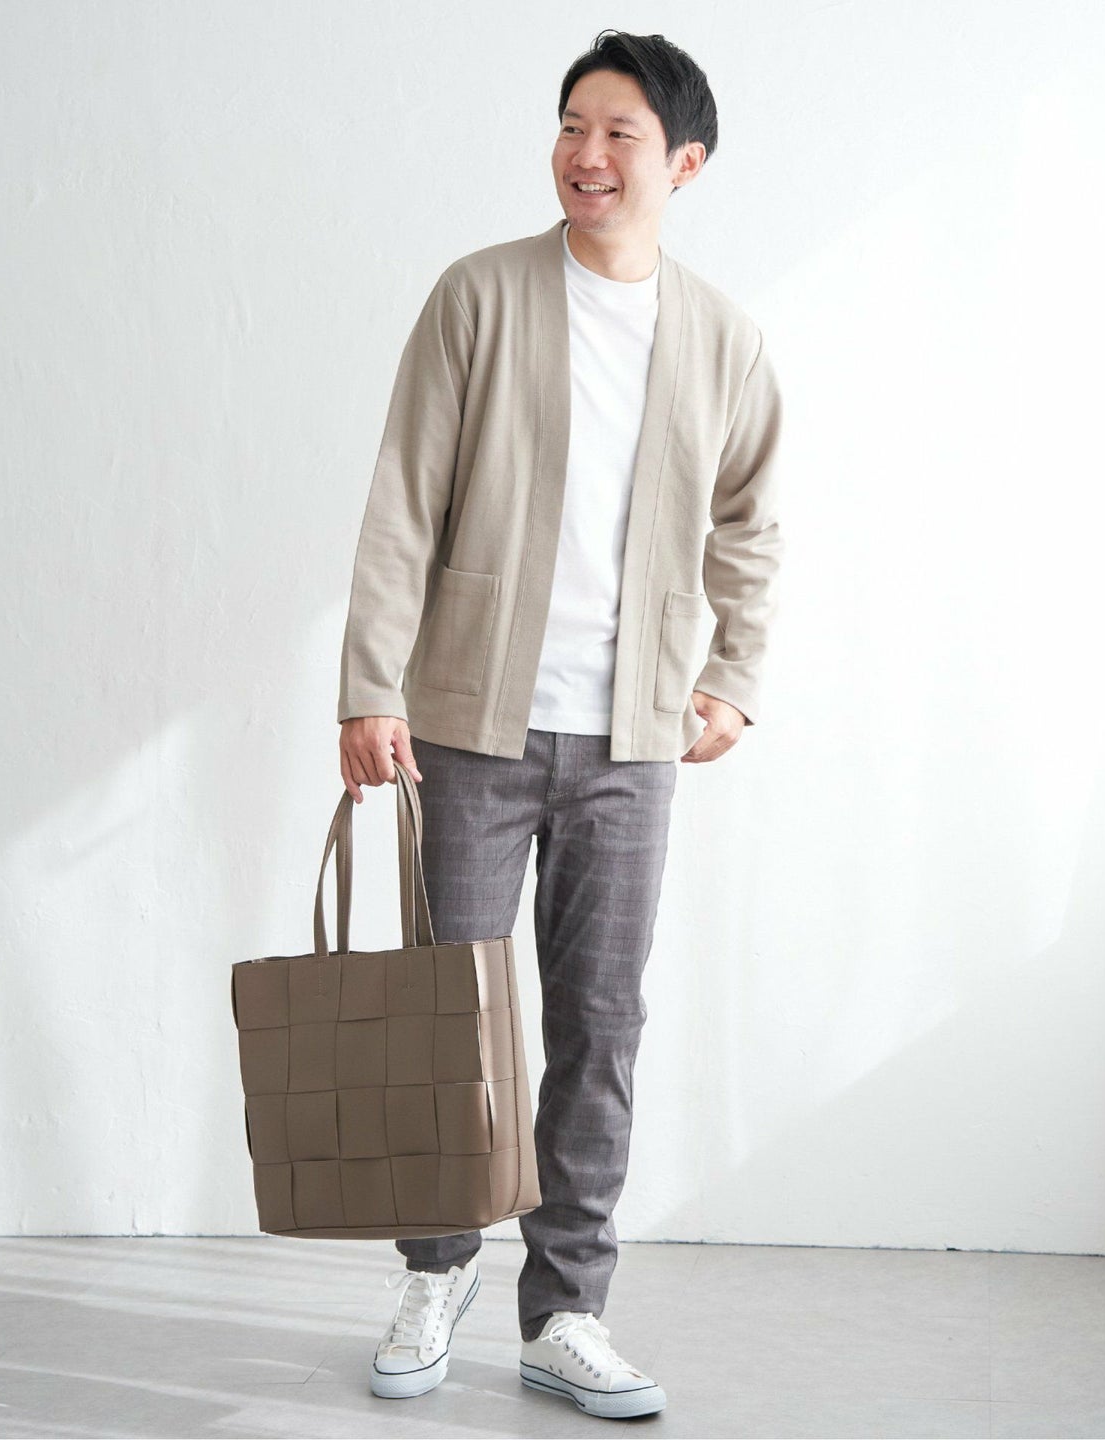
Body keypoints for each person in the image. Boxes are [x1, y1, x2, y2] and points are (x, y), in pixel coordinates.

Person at [336, 29, 783, 1421]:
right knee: (448, 1021)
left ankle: (567, 1310)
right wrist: (371, 684)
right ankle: (434, 1274)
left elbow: (752, 522)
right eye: (571, 125)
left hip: (633, 743)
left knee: (599, 1024)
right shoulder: (479, 296)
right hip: (470, 725)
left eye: (619, 134)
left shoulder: (722, 337)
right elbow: (403, 497)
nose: (586, 155)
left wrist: (733, 674)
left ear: (683, 163)